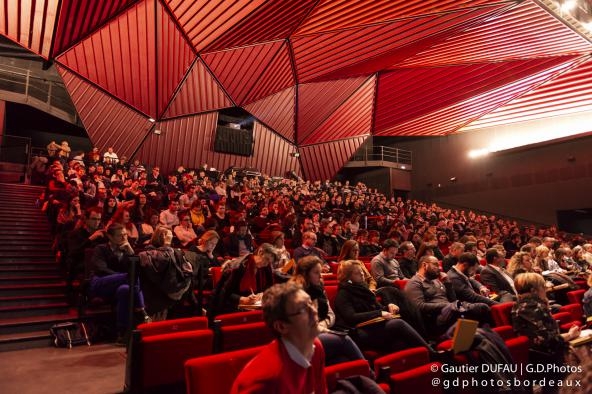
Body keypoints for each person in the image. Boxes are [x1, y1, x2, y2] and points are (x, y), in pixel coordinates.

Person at [231, 282, 327, 394]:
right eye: (303, 309)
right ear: (281, 326)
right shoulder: (264, 383)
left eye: (311, 303)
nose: (314, 311)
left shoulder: (316, 348)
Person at [334, 260, 434, 355]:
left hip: (374, 325)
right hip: (358, 332)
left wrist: (387, 307)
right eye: (357, 273)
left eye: (362, 271)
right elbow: (351, 317)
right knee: (397, 323)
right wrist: (380, 313)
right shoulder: (343, 294)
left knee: (401, 343)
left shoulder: (363, 289)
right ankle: (432, 353)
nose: (362, 274)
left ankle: (426, 357)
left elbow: (378, 308)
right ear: (348, 277)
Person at [290, 256, 366, 366]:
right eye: (316, 272)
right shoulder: (296, 292)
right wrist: (319, 328)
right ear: (305, 274)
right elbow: (300, 324)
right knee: (345, 339)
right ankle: (370, 372)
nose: (321, 276)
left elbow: (330, 314)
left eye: (321, 272)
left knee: (342, 360)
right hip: (306, 336)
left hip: (322, 329)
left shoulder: (319, 288)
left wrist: (323, 324)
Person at [512, 272, 581, 393]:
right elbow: (549, 341)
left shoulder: (526, 304)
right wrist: (570, 335)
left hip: (545, 355)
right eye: (543, 287)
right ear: (534, 290)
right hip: (544, 359)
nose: (546, 289)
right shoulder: (532, 307)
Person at [88, 223, 149, 340]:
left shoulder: (126, 250)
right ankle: (142, 310)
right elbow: (101, 269)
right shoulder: (100, 249)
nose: (124, 238)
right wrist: (123, 277)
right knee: (130, 277)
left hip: (122, 285)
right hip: (101, 284)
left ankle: (122, 333)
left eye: (125, 235)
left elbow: (135, 270)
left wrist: (131, 252)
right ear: (110, 237)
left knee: (125, 290)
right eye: (120, 236)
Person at [405, 255, 491, 338]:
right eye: (435, 264)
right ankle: (466, 340)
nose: (439, 268)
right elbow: (419, 306)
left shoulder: (436, 280)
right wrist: (448, 305)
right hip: (435, 319)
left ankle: (480, 338)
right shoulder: (414, 283)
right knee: (474, 309)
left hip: (451, 311)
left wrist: (448, 283)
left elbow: (453, 299)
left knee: (482, 308)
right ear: (424, 265)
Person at [208, 243, 278, 319]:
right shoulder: (239, 266)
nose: (266, 264)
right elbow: (224, 292)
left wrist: (262, 294)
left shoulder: (266, 267)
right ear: (260, 252)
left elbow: (269, 287)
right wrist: (242, 299)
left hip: (251, 306)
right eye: (266, 259)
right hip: (228, 305)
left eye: (269, 262)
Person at [138, 227, 194, 320]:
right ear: (162, 236)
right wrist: (166, 246)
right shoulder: (149, 252)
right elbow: (156, 268)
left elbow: (185, 269)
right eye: (169, 236)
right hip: (156, 288)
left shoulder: (175, 252)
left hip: (173, 287)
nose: (171, 238)